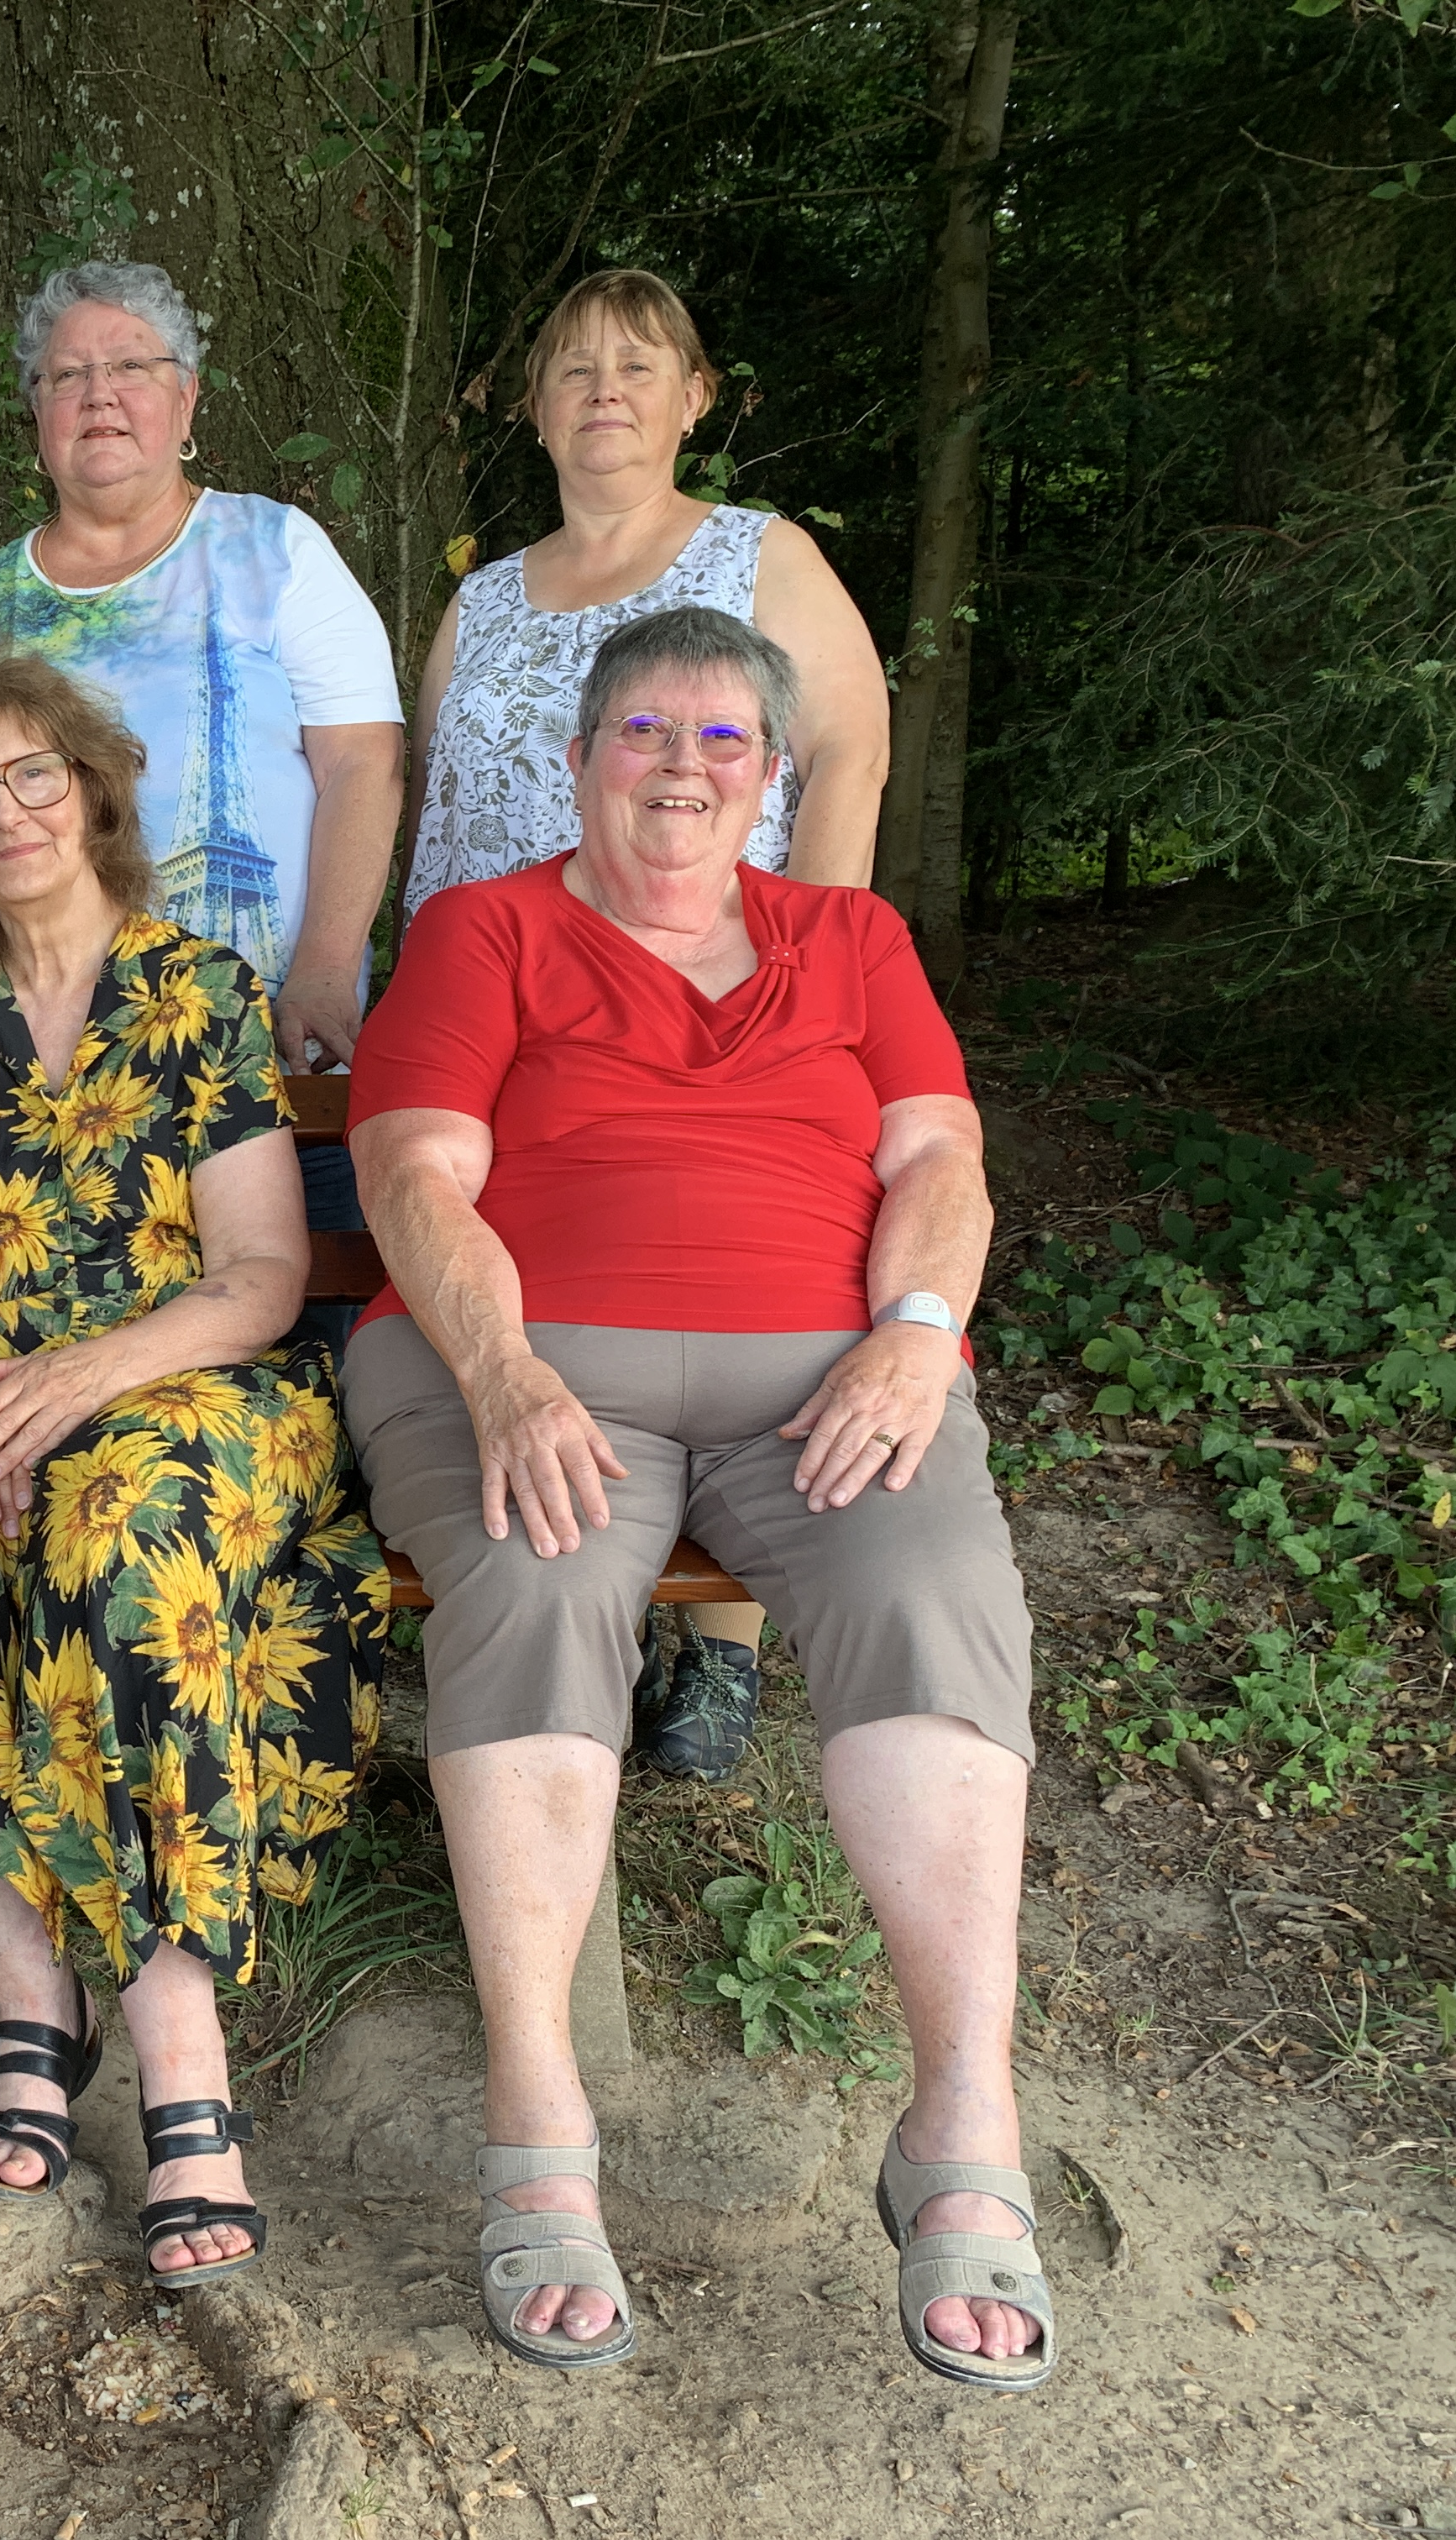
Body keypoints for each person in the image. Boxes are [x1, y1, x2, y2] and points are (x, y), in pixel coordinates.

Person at [343, 607, 1051, 2389]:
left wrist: (913, 1338)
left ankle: (962, 2134)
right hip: (519, 1356)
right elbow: (417, 1172)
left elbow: (942, 1164)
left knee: (929, 1598)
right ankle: (541, 2132)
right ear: (582, 761)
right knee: (536, 1575)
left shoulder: (853, 937)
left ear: (773, 775)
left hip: (830, 1372)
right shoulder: (484, 927)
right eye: (645, 734)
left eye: (725, 741)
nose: (682, 768)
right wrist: (505, 1377)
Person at [0, 652, 386, 2290]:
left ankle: (181, 2056)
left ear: (96, 795)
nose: (6, 810)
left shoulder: (199, 993)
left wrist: (73, 1389)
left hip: (186, 1385)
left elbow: (256, 1275)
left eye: (36, 777)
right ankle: (30, 1980)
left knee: (125, 1525)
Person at [400, 267, 893, 1780]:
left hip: (709, 1002)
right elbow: (437, 811)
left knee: (722, 1265)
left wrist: (807, 975)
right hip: (507, 1018)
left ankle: (719, 1640)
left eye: (639, 365)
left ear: (693, 397)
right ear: (534, 408)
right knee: (540, 1292)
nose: (603, 390)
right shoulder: (478, 597)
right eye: (571, 368)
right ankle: (575, 1590)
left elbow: (848, 750)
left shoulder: (762, 559)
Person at [0, 258, 405, 1288]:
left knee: (293, 1316)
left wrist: (324, 963)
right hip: (39, 1081)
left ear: (185, 399)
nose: (100, 393)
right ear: (37, 413)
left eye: (132, 366)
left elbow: (364, 763)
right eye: (68, 375)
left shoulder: (277, 550)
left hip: (276, 1050)